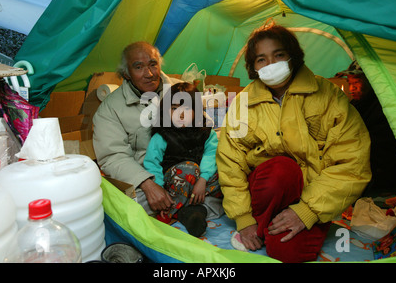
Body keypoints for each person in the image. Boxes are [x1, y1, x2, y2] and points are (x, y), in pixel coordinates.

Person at [216, 22, 372, 263]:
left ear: (292, 56)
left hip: (312, 195)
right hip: (267, 190)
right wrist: (243, 218)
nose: (271, 65)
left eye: (279, 55)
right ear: (252, 66)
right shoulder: (243, 102)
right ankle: (260, 223)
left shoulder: (328, 95)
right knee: (282, 169)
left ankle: (272, 227)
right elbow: (230, 160)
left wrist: (306, 211)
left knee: (286, 252)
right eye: (261, 59)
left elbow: (352, 162)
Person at [93, 41, 181, 216]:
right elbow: (113, 156)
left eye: (153, 65)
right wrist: (147, 184)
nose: (149, 74)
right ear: (126, 73)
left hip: (187, 170)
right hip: (149, 179)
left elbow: (204, 132)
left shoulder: (182, 92)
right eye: (138, 67)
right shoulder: (110, 109)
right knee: (124, 210)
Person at [143, 82, 223, 237]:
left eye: (186, 109)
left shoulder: (206, 132)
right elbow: (152, 163)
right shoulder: (162, 135)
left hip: (199, 184)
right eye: (174, 108)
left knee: (226, 170)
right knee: (188, 168)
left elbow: (211, 155)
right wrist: (159, 188)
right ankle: (174, 210)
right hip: (174, 184)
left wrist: (203, 180)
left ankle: (192, 210)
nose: (180, 114)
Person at [336, 61, 396, 196]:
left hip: (382, 179)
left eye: (357, 83)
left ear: (371, 82)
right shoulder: (356, 105)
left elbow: (381, 150)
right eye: (350, 83)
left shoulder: (383, 109)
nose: (352, 88)